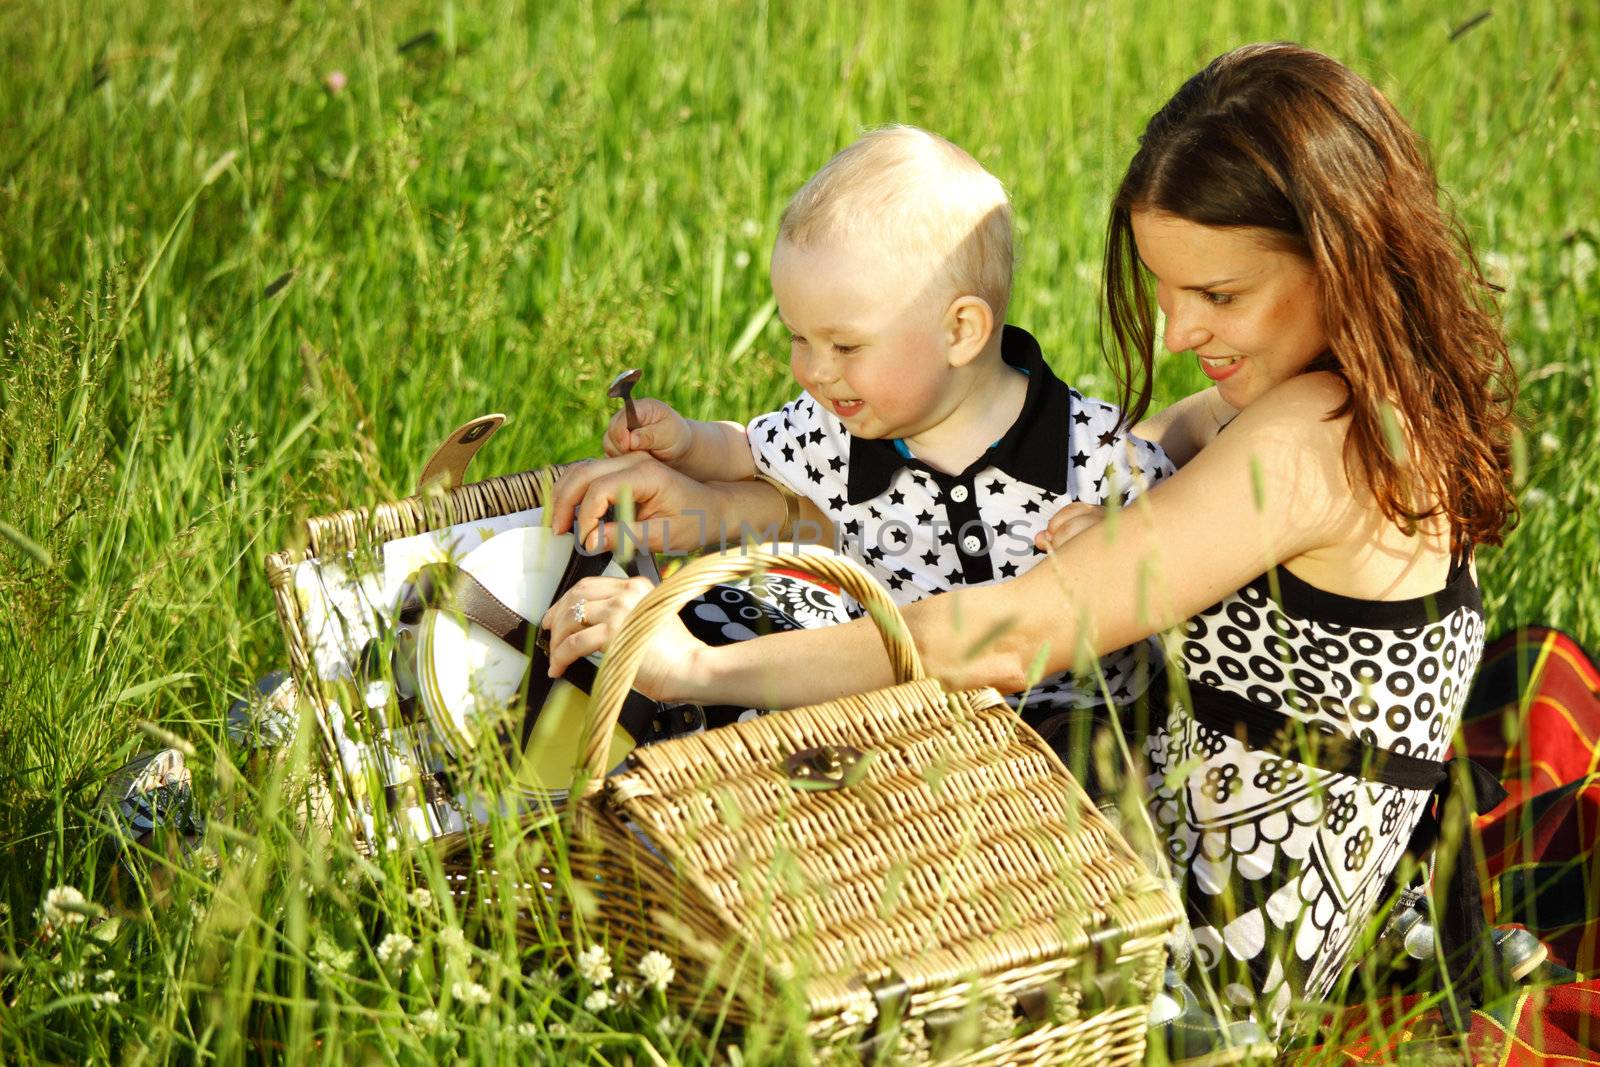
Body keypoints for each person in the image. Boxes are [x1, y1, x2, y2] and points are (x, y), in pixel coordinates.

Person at [542, 44, 1518, 1044]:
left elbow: (1006, 635)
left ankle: (567, 851)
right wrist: (1132, 511)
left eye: (1218, 296)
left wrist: (701, 663)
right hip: (1173, 821)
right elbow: (1159, 441)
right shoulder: (1354, 401)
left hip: (1181, 937)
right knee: (807, 627)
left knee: (777, 748)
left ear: (1344, 258)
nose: (1177, 331)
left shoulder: (1313, 441)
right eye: (1164, 289)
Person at [556, 125, 1173, 747]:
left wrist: (1113, 550)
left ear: (960, 331)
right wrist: (687, 443)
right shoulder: (839, 430)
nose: (815, 371)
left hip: (1074, 742)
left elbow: (1189, 586)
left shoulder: (1098, 454)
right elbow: (747, 450)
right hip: (900, 723)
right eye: (799, 338)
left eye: (845, 345)